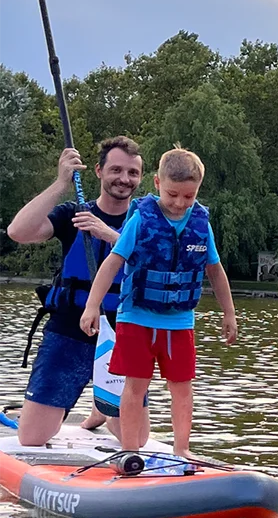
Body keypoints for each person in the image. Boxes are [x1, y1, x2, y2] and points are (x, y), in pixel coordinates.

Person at [79, 146, 237, 458]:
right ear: (157, 184)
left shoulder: (201, 224)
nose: (180, 203)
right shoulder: (141, 219)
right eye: (173, 194)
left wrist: (229, 313)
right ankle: (129, 450)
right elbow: (113, 263)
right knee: (135, 386)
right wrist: (92, 306)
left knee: (182, 387)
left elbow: (215, 272)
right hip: (136, 318)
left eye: (188, 197)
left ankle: (182, 449)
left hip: (179, 322)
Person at [5, 137, 143, 445]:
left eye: (132, 173)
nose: (124, 179)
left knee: (137, 439)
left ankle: (103, 408)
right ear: (98, 171)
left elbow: (155, 262)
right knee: (32, 437)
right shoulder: (74, 214)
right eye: (116, 170)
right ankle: (96, 403)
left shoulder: (145, 222)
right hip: (69, 329)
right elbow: (18, 231)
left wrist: (108, 234)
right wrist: (59, 183)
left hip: (124, 333)